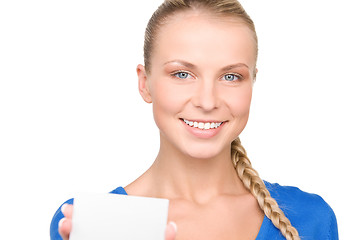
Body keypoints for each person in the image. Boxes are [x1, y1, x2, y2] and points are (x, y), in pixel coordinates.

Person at [50, 0, 338, 239]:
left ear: (252, 83)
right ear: (145, 83)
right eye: (182, 74)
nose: (207, 101)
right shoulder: (92, 222)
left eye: (231, 76)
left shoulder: (311, 219)